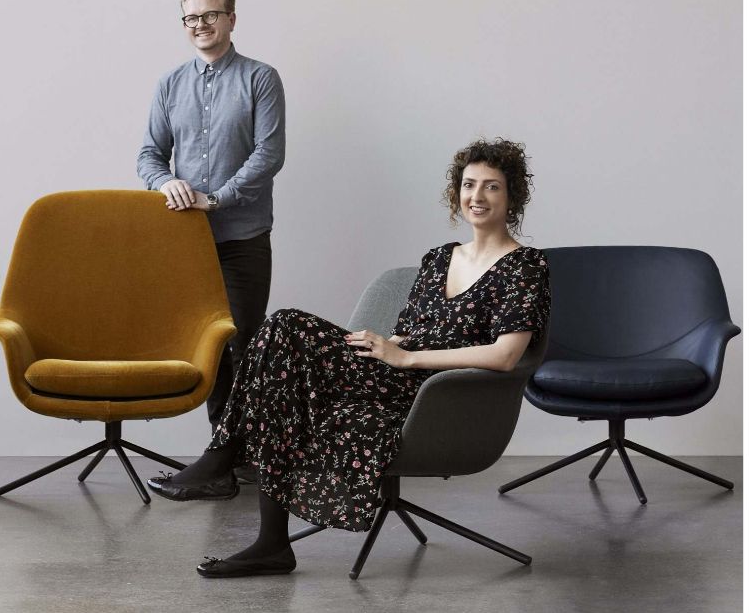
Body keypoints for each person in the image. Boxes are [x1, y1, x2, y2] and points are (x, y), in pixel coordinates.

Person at [150, 138, 550, 579]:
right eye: (469, 184)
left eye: (491, 186)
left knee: (285, 326)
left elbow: (506, 355)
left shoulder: (525, 266)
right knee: (280, 367)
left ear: (511, 195)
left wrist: (406, 359)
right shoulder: (440, 258)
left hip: (434, 391)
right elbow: (409, 330)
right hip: (389, 371)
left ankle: (225, 465)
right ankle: (267, 538)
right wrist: (379, 346)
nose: (477, 196)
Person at [137, 0, 286, 475]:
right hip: (189, 242)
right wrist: (167, 182)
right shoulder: (170, 84)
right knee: (210, 347)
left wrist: (218, 198)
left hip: (243, 237)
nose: (200, 24)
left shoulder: (260, 78)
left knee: (244, 343)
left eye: (210, 15)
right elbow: (149, 155)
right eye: (191, 18)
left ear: (231, 19)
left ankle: (245, 453)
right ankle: (225, 456)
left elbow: (269, 154)